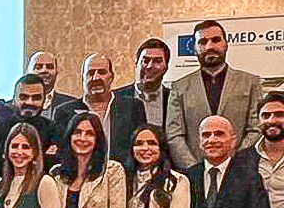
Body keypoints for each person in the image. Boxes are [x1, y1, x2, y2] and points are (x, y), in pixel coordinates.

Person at [165, 20, 265, 167]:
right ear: (195, 48)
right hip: (194, 173)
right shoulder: (179, 87)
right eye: (203, 42)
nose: (210, 46)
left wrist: (234, 163)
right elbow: (174, 135)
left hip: (239, 172)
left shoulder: (250, 82)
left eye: (216, 40)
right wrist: (194, 169)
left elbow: (255, 129)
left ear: (226, 44)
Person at [53, 54, 146, 170]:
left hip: (124, 180)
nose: (95, 78)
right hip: (81, 179)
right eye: (90, 73)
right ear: (83, 78)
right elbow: (62, 154)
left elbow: (141, 146)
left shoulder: (133, 108)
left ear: (111, 77)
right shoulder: (64, 112)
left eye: (102, 72)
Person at [0, 74, 59, 180]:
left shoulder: (53, 129)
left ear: (44, 100)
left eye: (36, 98)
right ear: (14, 99)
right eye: (24, 97)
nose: (29, 102)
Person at [116, 39, 171, 131]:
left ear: (166, 67)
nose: (150, 66)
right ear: (136, 64)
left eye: (157, 61)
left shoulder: (174, 99)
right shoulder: (116, 98)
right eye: (145, 60)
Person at [26, 51, 78, 116]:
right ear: (28, 73)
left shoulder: (72, 105)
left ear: (56, 72)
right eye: (38, 67)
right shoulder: (12, 108)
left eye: (49, 67)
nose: (44, 70)